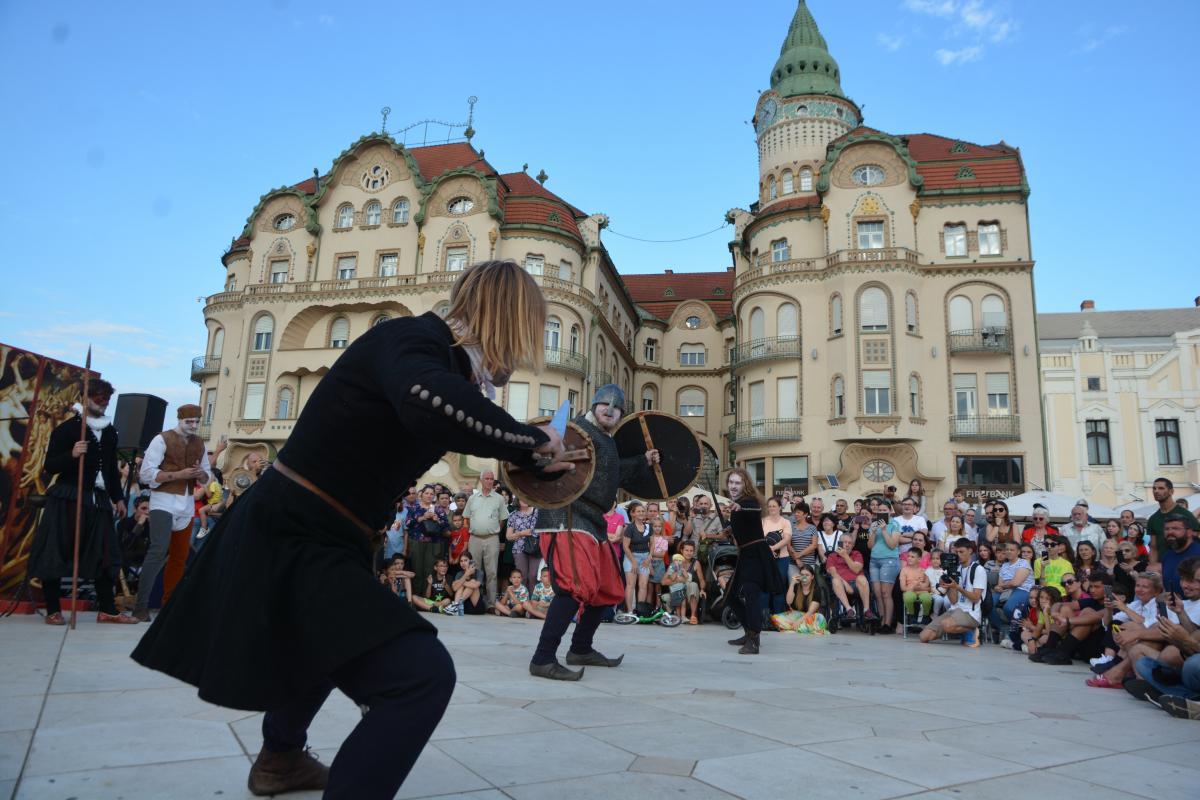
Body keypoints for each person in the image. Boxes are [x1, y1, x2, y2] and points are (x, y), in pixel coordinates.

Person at [132, 260, 572, 798]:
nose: (526, 353)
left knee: (323, 645)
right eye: (528, 332)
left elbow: (459, 414)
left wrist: (530, 454)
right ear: (508, 319)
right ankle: (285, 757)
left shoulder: (448, 369)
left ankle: (280, 759)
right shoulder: (413, 339)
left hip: (326, 532)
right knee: (420, 677)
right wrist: (530, 438)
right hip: (294, 527)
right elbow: (427, 402)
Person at [529, 383, 659, 680]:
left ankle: (581, 648)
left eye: (616, 408)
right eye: (605, 405)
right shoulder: (575, 430)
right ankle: (542, 658)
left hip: (593, 521)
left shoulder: (607, 441)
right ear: (594, 405)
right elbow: (546, 457)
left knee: (608, 588)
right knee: (574, 586)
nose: (610, 410)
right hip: (567, 515)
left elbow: (613, 473)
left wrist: (644, 461)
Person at [27, 379, 135, 626]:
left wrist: (118, 497)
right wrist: (72, 455)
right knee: (56, 550)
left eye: (107, 398)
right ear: (86, 399)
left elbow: (109, 467)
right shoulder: (67, 430)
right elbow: (50, 465)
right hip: (69, 496)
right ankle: (54, 609)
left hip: (98, 500)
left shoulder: (110, 432)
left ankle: (107, 610)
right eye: (99, 397)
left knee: (106, 553)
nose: (104, 402)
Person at [132, 404, 213, 621]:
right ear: (180, 420)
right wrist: (179, 475)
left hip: (185, 504)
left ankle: (168, 606)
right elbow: (147, 474)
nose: (194, 426)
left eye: (197, 421)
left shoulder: (199, 443)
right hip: (163, 502)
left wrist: (200, 476)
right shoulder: (162, 439)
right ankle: (140, 606)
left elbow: (208, 475)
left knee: (180, 556)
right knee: (158, 552)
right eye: (189, 422)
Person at [724, 466, 784, 655]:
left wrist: (739, 507)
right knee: (730, 595)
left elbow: (753, 508)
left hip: (756, 555)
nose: (733, 486)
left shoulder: (748, 501)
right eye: (731, 482)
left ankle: (754, 640)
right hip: (745, 556)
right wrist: (730, 531)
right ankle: (748, 631)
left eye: (738, 483)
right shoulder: (736, 504)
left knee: (751, 595)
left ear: (745, 485)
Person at [919, 538, 988, 647]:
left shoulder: (978, 569)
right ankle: (966, 632)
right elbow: (953, 600)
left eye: (961, 552)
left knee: (946, 625)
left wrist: (958, 587)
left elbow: (975, 598)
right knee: (924, 637)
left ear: (970, 551)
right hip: (955, 610)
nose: (958, 555)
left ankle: (973, 631)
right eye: (956, 552)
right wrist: (947, 586)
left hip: (971, 613)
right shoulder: (955, 568)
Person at [462, 470, 508, 609]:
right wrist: (477, 529)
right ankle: (476, 602)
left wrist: (492, 531)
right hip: (475, 538)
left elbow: (502, 520)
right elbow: (467, 518)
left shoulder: (499, 498)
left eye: (491, 479)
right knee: (475, 570)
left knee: (492, 572)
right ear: (481, 480)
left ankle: (491, 603)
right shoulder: (472, 498)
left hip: (492, 539)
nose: (489, 481)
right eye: (487, 478)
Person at [1148, 477, 1200, 560]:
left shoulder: (1185, 514)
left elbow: (1193, 543)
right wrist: (1153, 565)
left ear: (1171, 491)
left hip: (1183, 565)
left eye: (1161, 488)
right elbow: (1153, 548)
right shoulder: (1153, 519)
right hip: (1161, 567)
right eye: (1154, 488)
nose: (1156, 491)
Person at [826, 531, 873, 621]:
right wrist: (845, 584)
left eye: (850, 543)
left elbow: (856, 569)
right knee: (835, 580)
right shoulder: (832, 556)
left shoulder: (857, 554)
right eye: (845, 542)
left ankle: (867, 610)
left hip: (858, 585)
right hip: (841, 585)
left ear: (852, 545)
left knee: (862, 578)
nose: (847, 545)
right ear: (839, 543)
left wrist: (845, 556)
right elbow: (833, 573)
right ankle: (849, 609)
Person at [771, 563, 827, 634]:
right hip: (797, 615)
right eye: (802, 575)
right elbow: (788, 602)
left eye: (807, 575)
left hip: (809, 617)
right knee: (775, 618)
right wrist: (792, 584)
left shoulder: (816, 589)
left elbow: (810, 612)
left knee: (820, 618)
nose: (804, 577)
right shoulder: (796, 586)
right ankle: (801, 628)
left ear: (812, 577)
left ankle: (794, 628)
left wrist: (799, 621)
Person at [622, 501, 653, 615]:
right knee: (630, 585)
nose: (641, 513)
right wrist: (634, 561)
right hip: (632, 557)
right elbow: (625, 546)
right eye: (638, 511)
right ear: (633, 514)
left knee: (643, 585)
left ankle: (639, 610)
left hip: (645, 558)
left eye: (643, 511)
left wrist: (649, 557)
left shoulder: (649, 527)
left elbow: (652, 544)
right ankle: (630, 611)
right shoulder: (630, 528)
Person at [505, 499, 540, 595]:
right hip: (519, 549)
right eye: (521, 497)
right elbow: (508, 536)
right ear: (517, 499)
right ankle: (522, 603)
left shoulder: (538, 512)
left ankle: (533, 602)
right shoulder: (513, 515)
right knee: (521, 577)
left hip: (535, 548)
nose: (524, 499)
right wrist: (521, 533)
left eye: (526, 497)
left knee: (533, 576)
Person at [1162, 515, 1200, 596]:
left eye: (1175, 528)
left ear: (1189, 532)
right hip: (1174, 607)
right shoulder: (1167, 556)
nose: (1170, 532)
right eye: (1166, 529)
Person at [899, 548, 933, 626]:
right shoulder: (904, 570)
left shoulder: (924, 571)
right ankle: (911, 615)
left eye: (912, 557)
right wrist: (913, 586)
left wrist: (920, 587)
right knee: (908, 597)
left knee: (927, 598)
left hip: (922, 591)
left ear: (919, 559)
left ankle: (925, 616)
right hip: (909, 591)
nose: (909, 558)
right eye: (908, 556)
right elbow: (903, 588)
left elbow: (928, 586)